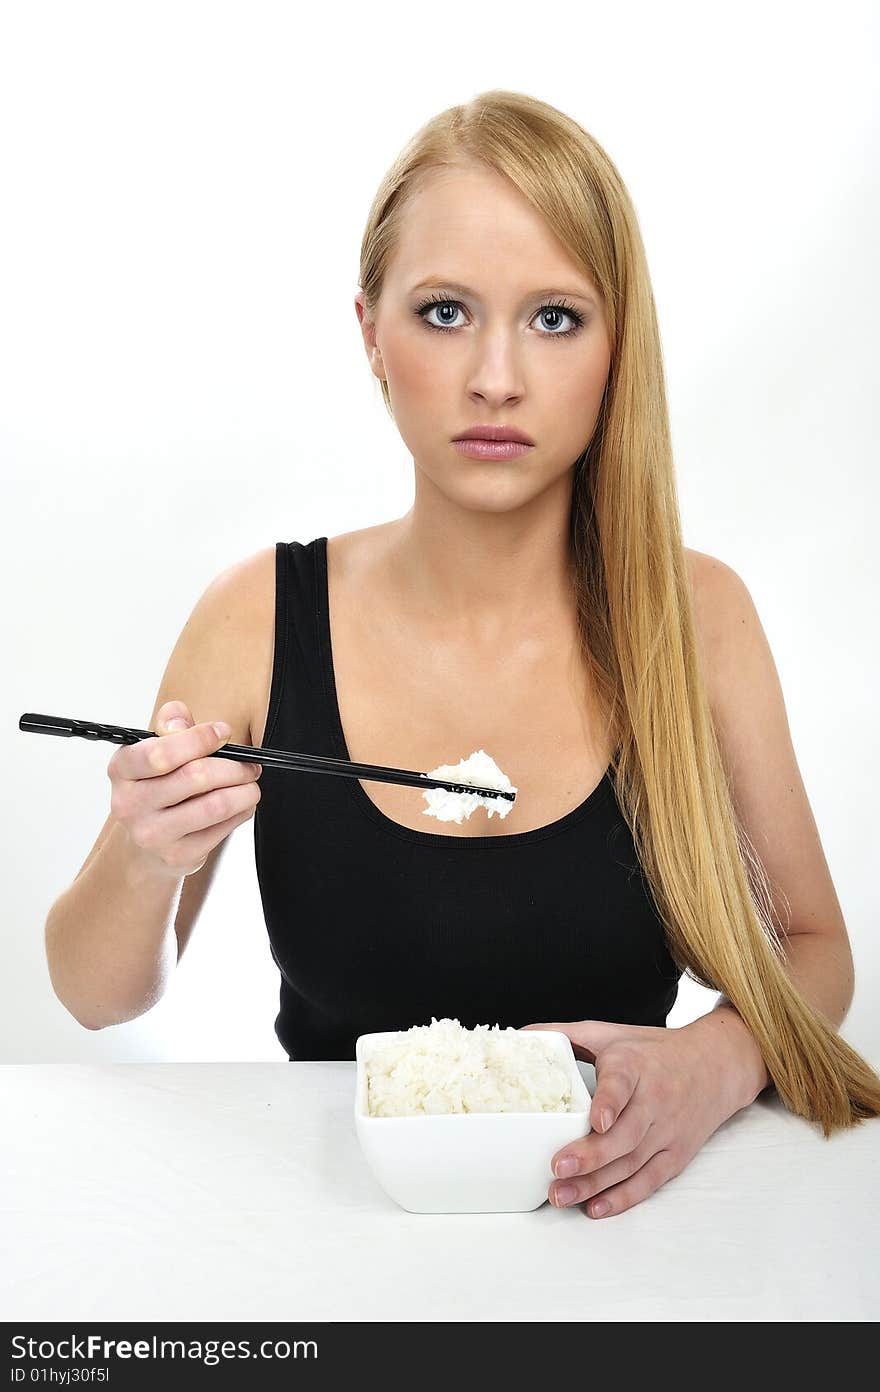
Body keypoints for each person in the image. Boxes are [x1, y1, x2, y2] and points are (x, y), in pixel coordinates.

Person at [44, 89, 880, 1221]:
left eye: (553, 318)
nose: (496, 376)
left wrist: (718, 1062)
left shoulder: (698, 615)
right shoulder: (259, 614)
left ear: (616, 346)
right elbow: (97, 999)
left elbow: (815, 946)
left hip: (633, 1241)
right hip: (336, 1229)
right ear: (370, 336)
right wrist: (145, 854)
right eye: (444, 313)